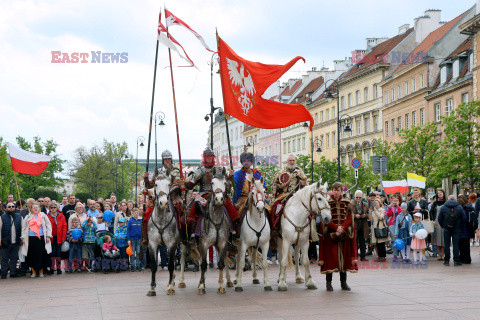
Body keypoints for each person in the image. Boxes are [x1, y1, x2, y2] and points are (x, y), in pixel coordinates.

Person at [184, 148, 239, 238]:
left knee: (230, 207)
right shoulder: (201, 170)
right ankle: (193, 234)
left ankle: (233, 233)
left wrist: (230, 177)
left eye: (211, 157)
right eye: (208, 157)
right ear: (204, 158)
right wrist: (187, 183)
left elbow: (227, 183)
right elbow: (192, 183)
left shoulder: (219, 170)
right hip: (204, 194)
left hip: (217, 193)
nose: (210, 159)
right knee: (193, 208)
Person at [318, 182, 358, 292]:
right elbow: (325, 219)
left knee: (343, 259)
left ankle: (343, 283)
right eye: (334, 189)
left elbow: (350, 218)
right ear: (332, 190)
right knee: (330, 259)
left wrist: (342, 228)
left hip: (343, 234)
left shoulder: (347, 203)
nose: (336, 192)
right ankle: (328, 283)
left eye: (338, 189)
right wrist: (336, 228)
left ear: (341, 191)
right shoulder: (327, 203)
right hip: (331, 235)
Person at [269, 154, 307, 236]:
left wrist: (303, 183)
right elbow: (274, 184)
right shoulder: (281, 172)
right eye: (290, 160)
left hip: (297, 196)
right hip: (284, 195)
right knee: (275, 206)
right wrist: (280, 186)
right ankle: (275, 227)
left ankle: (310, 231)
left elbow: (305, 184)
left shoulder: (300, 172)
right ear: (287, 162)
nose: (292, 162)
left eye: (293, 160)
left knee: (309, 209)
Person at [21, 202, 52, 278]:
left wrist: (48, 236)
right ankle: (33, 272)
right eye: (33, 207)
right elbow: (24, 228)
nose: (35, 208)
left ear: (39, 208)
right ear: (31, 209)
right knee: (32, 255)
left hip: (41, 238)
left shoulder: (43, 216)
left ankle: (41, 271)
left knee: (41, 254)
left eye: (36, 207)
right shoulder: (27, 217)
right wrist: (23, 238)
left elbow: (48, 226)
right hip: (30, 238)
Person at [438, 195, 466, 266]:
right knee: (455, 245)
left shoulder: (443, 207)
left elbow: (439, 218)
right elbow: (464, 218)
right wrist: (460, 226)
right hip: (456, 228)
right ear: (455, 200)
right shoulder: (459, 207)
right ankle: (456, 261)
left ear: (448, 200)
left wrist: (443, 226)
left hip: (446, 228)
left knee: (446, 245)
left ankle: (446, 260)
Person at [0, 202, 23, 279]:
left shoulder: (19, 217)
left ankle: (13, 272)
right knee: (4, 258)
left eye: (12, 206)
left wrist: (22, 239)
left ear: (15, 207)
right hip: (5, 242)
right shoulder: (2, 217)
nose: (11, 208)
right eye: (9, 207)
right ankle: (4, 273)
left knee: (14, 258)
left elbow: (23, 229)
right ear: (6, 208)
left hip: (16, 241)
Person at [46, 203, 67, 275]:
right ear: (49, 209)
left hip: (59, 237)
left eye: (54, 207)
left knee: (58, 253)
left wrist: (64, 237)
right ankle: (52, 269)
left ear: (57, 208)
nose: (53, 209)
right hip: (51, 237)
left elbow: (64, 227)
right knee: (51, 253)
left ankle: (58, 269)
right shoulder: (47, 216)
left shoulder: (61, 216)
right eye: (51, 208)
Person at [349, 190, 369, 262]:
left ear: (362, 197)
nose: (358, 199)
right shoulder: (351, 204)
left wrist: (365, 215)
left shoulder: (366, 204)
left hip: (363, 225)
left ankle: (363, 256)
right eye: (357, 197)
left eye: (359, 197)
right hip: (355, 224)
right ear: (354, 197)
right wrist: (354, 216)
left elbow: (369, 215)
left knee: (362, 241)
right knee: (355, 241)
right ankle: (355, 256)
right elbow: (348, 215)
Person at [371, 198, 390, 262]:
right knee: (377, 244)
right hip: (375, 228)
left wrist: (376, 211)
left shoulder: (383, 210)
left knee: (382, 243)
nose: (375, 205)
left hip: (381, 228)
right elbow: (371, 219)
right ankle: (379, 256)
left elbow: (381, 218)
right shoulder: (373, 211)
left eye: (377, 203)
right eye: (374, 203)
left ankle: (383, 257)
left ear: (380, 204)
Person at [457, 195, 474, 264]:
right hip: (468, 229)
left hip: (460, 229)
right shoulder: (470, 207)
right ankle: (467, 258)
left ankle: (463, 258)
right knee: (466, 245)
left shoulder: (459, 208)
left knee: (460, 245)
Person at [430, 189, 446, 261]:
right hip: (436, 221)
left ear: (443, 193)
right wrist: (432, 220)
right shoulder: (435, 203)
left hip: (444, 222)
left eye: (441, 192)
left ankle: (443, 254)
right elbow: (431, 212)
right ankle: (439, 254)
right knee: (436, 238)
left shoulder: (446, 202)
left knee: (443, 238)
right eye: (438, 193)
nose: (439, 194)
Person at [386, 195, 401, 261]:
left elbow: (400, 214)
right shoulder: (389, 207)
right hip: (392, 224)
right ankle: (395, 255)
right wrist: (390, 207)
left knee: (400, 239)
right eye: (393, 201)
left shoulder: (400, 207)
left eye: (396, 201)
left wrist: (398, 206)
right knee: (393, 240)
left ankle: (402, 254)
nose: (395, 202)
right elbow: (388, 214)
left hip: (399, 225)